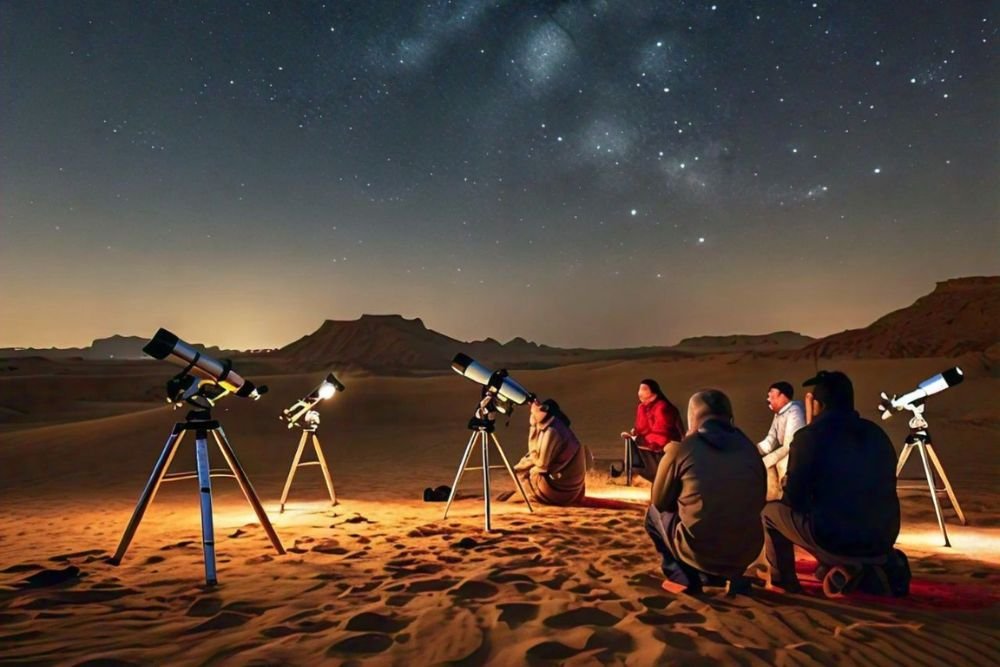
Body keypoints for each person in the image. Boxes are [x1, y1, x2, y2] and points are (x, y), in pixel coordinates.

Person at [761, 371, 905, 597]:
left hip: (835, 537)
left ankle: (783, 581)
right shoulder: (877, 433)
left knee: (770, 513)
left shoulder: (810, 437)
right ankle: (855, 569)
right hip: (882, 537)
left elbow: (794, 499)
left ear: (819, 404)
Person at [645, 389, 766, 595]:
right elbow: (759, 496)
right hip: (747, 549)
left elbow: (660, 501)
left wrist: (670, 457)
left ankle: (682, 576)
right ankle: (730, 574)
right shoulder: (749, 449)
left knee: (653, 514)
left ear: (693, 417)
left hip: (700, 548)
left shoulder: (683, 449)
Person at [513, 398, 587, 505]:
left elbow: (542, 465)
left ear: (544, 411)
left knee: (523, 472)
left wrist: (533, 428)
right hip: (572, 487)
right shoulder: (553, 426)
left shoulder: (552, 431)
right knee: (523, 466)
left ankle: (532, 500)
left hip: (563, 490)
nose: (532, 414)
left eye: (533, 412)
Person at [615, 379, 685, 483]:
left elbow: (662, 434)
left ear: (653, 391)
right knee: (630, 444)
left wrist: (640, 439)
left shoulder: (662, 407)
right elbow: (641, 428)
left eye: (644, 389)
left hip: (665, 450)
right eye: (639, 389)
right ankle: (629, 474)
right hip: (648, 445)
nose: (640, 392)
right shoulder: (642, 407)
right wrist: (635, 433)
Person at [757, 381, 806, 500]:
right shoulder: (778, 415)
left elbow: (790, 444)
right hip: (784, 453)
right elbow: (770, 441)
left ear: (783, 396)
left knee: (780, 466)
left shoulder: (795, 411)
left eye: (772, 396)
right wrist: (753, 451)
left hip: (795, 455)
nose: (768, 399)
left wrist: (767, 460)